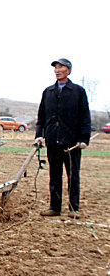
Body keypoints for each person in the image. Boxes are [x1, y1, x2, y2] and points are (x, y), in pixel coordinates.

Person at [35, 58, 91, 219]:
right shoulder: (48, 92)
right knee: (54, 175)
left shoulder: (78, 92)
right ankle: (55, 207)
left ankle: (74, 208)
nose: (57, 70)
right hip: (52, 141)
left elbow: (84, 117)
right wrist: (39, 135)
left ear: (69, 70)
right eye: (56, 67)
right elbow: (41, 117)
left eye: (61, 67)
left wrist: (84, 139)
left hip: (72, 142)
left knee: (73, 175)